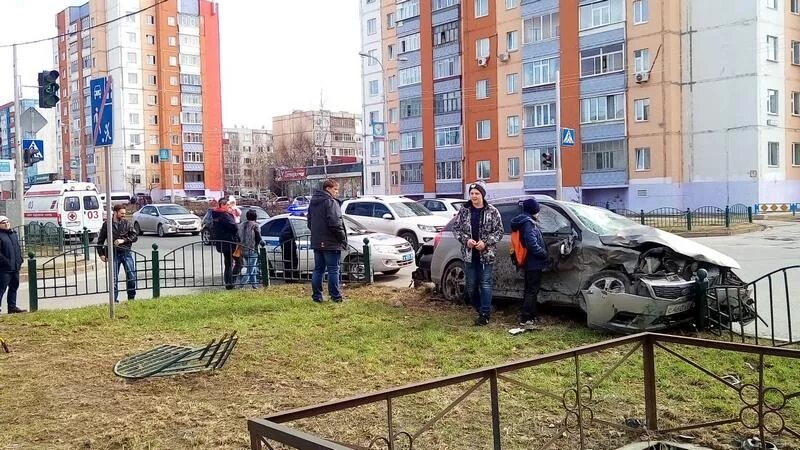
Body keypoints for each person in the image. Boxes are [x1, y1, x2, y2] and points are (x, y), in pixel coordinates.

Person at [451, 183, 504, 326]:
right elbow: (456, 229)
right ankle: (481, 309)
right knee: (471, 286)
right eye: (472, 193)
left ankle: (484, 314)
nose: (474, 196)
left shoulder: (492, 211)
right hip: (469, 255)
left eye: (477, 193)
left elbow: (499, 231)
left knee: (485, 284)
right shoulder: (464, 210)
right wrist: (466, 240)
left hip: (486, 255)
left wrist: (485, 242)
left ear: (482, 195)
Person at [510, 198, 550, 329]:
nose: (538, 212)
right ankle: (526, 319)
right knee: (532, 291)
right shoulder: (529, 223)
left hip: (528, 262)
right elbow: (532, 243)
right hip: (533, 262)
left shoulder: (523, 221)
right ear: (533, 210)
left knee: (529, 290)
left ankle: (530, 316)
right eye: (537, 209)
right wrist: (543, 253)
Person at [307, 179, 347, 303]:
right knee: (333, 269)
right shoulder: (330, 202)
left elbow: (309, 222)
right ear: (328, 189)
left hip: (317, 241)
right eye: (335, 189)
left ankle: (317, 296)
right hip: (331, 242)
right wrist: (342, 238)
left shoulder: (313, 203)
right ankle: (335, 296)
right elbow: (335, 223)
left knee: (318, 269)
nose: (337, 192)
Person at [97, 204, 139, 303]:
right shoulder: (107, 224)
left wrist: (123, 240)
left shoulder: (127, 223)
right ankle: (114, 300)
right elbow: (100, 241)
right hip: (113, 254)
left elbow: (134, 236)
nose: (124, 215)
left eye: (124, 213)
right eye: (122, 213)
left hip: (126, 253)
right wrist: (101, 254)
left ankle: (131, 299)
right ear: (115, 213)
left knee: (131, 276)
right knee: (114, 278)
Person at [211, 198, 239, 290]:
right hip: (230, 242)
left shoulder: (216, 214)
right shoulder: (224, 215)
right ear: (222, 205)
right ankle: (231, 282)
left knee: (228, 264)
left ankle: (228, 282)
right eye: (227, 205)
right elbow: (233, 227)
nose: (229, 206)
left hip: (222, 242)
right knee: (239, 262)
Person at [0, 216, 25, 313]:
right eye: (3, 223)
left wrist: (20, 260)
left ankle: (12, 307)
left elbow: (17, 248)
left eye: (7, 222)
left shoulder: (13, 234)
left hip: (15, 267)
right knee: (1, 289)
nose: (6, 224)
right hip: (4, 268)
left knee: (14, 287)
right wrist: (5, 262)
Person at [238, 209, 262, 288]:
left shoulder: (242, 224)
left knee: (252, 267)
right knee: (250, 269)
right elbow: (258, 238)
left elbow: (238, 236)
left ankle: (254, 285)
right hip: (252, 249)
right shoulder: (255, 225)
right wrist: (258, 245)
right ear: (255, 217)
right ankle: (241, 285)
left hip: (242, 249)